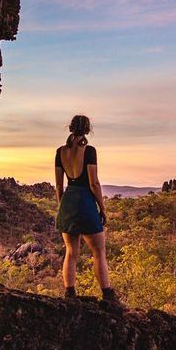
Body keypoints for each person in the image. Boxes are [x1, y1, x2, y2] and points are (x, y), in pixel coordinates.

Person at [54, 114, 118, 304]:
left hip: (68, 201)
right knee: (99, 251)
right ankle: (107, 295)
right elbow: (94, 183)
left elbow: (58, 185)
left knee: (71, 251)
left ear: (70, 128)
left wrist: (62, 206)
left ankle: (69, 293)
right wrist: (102, 208)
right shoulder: (89, 150)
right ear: (88, 129)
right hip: (86, 201)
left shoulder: (60, 152)